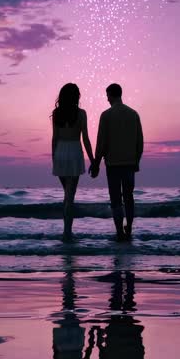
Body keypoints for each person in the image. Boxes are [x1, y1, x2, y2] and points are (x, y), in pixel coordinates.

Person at [89, 83, 144, 241]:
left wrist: (96, 163)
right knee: (129, 197)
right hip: (129, 163)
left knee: (115, 198)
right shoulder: (133, 114)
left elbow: (101, 143)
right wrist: (137, 160)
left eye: (107, 95)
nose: (106, 99)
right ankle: (130, 228)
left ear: (111, 95)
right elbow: (139, 141)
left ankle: (119, 230)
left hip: (112, 164)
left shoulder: (106, 115)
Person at [51, 82, 94, 242]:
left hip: (60, 152)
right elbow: (86, 139)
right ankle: (67, 233)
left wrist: (53, 158)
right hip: (75, 152)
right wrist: (93, 159)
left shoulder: (57, 113)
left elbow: (55, 138)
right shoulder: (81, 113)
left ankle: (66, 232)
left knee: (67, 195)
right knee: (70, 197)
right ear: (76, 96)